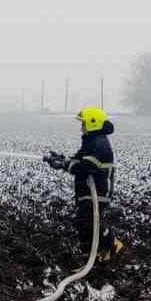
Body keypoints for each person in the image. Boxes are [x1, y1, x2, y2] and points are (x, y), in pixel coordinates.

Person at [44, 107, 125, 263]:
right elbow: (78, 159)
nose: (81, 127)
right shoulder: (91, 141)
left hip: (98, 191)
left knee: (89, 223)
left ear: (93, 123)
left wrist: (64, 166)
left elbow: (85, 167)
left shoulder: (99, 144)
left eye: (84, 124)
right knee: (85, 222)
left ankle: (113, 244)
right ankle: (96, 253)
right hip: (88, 191)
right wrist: (61, 160)